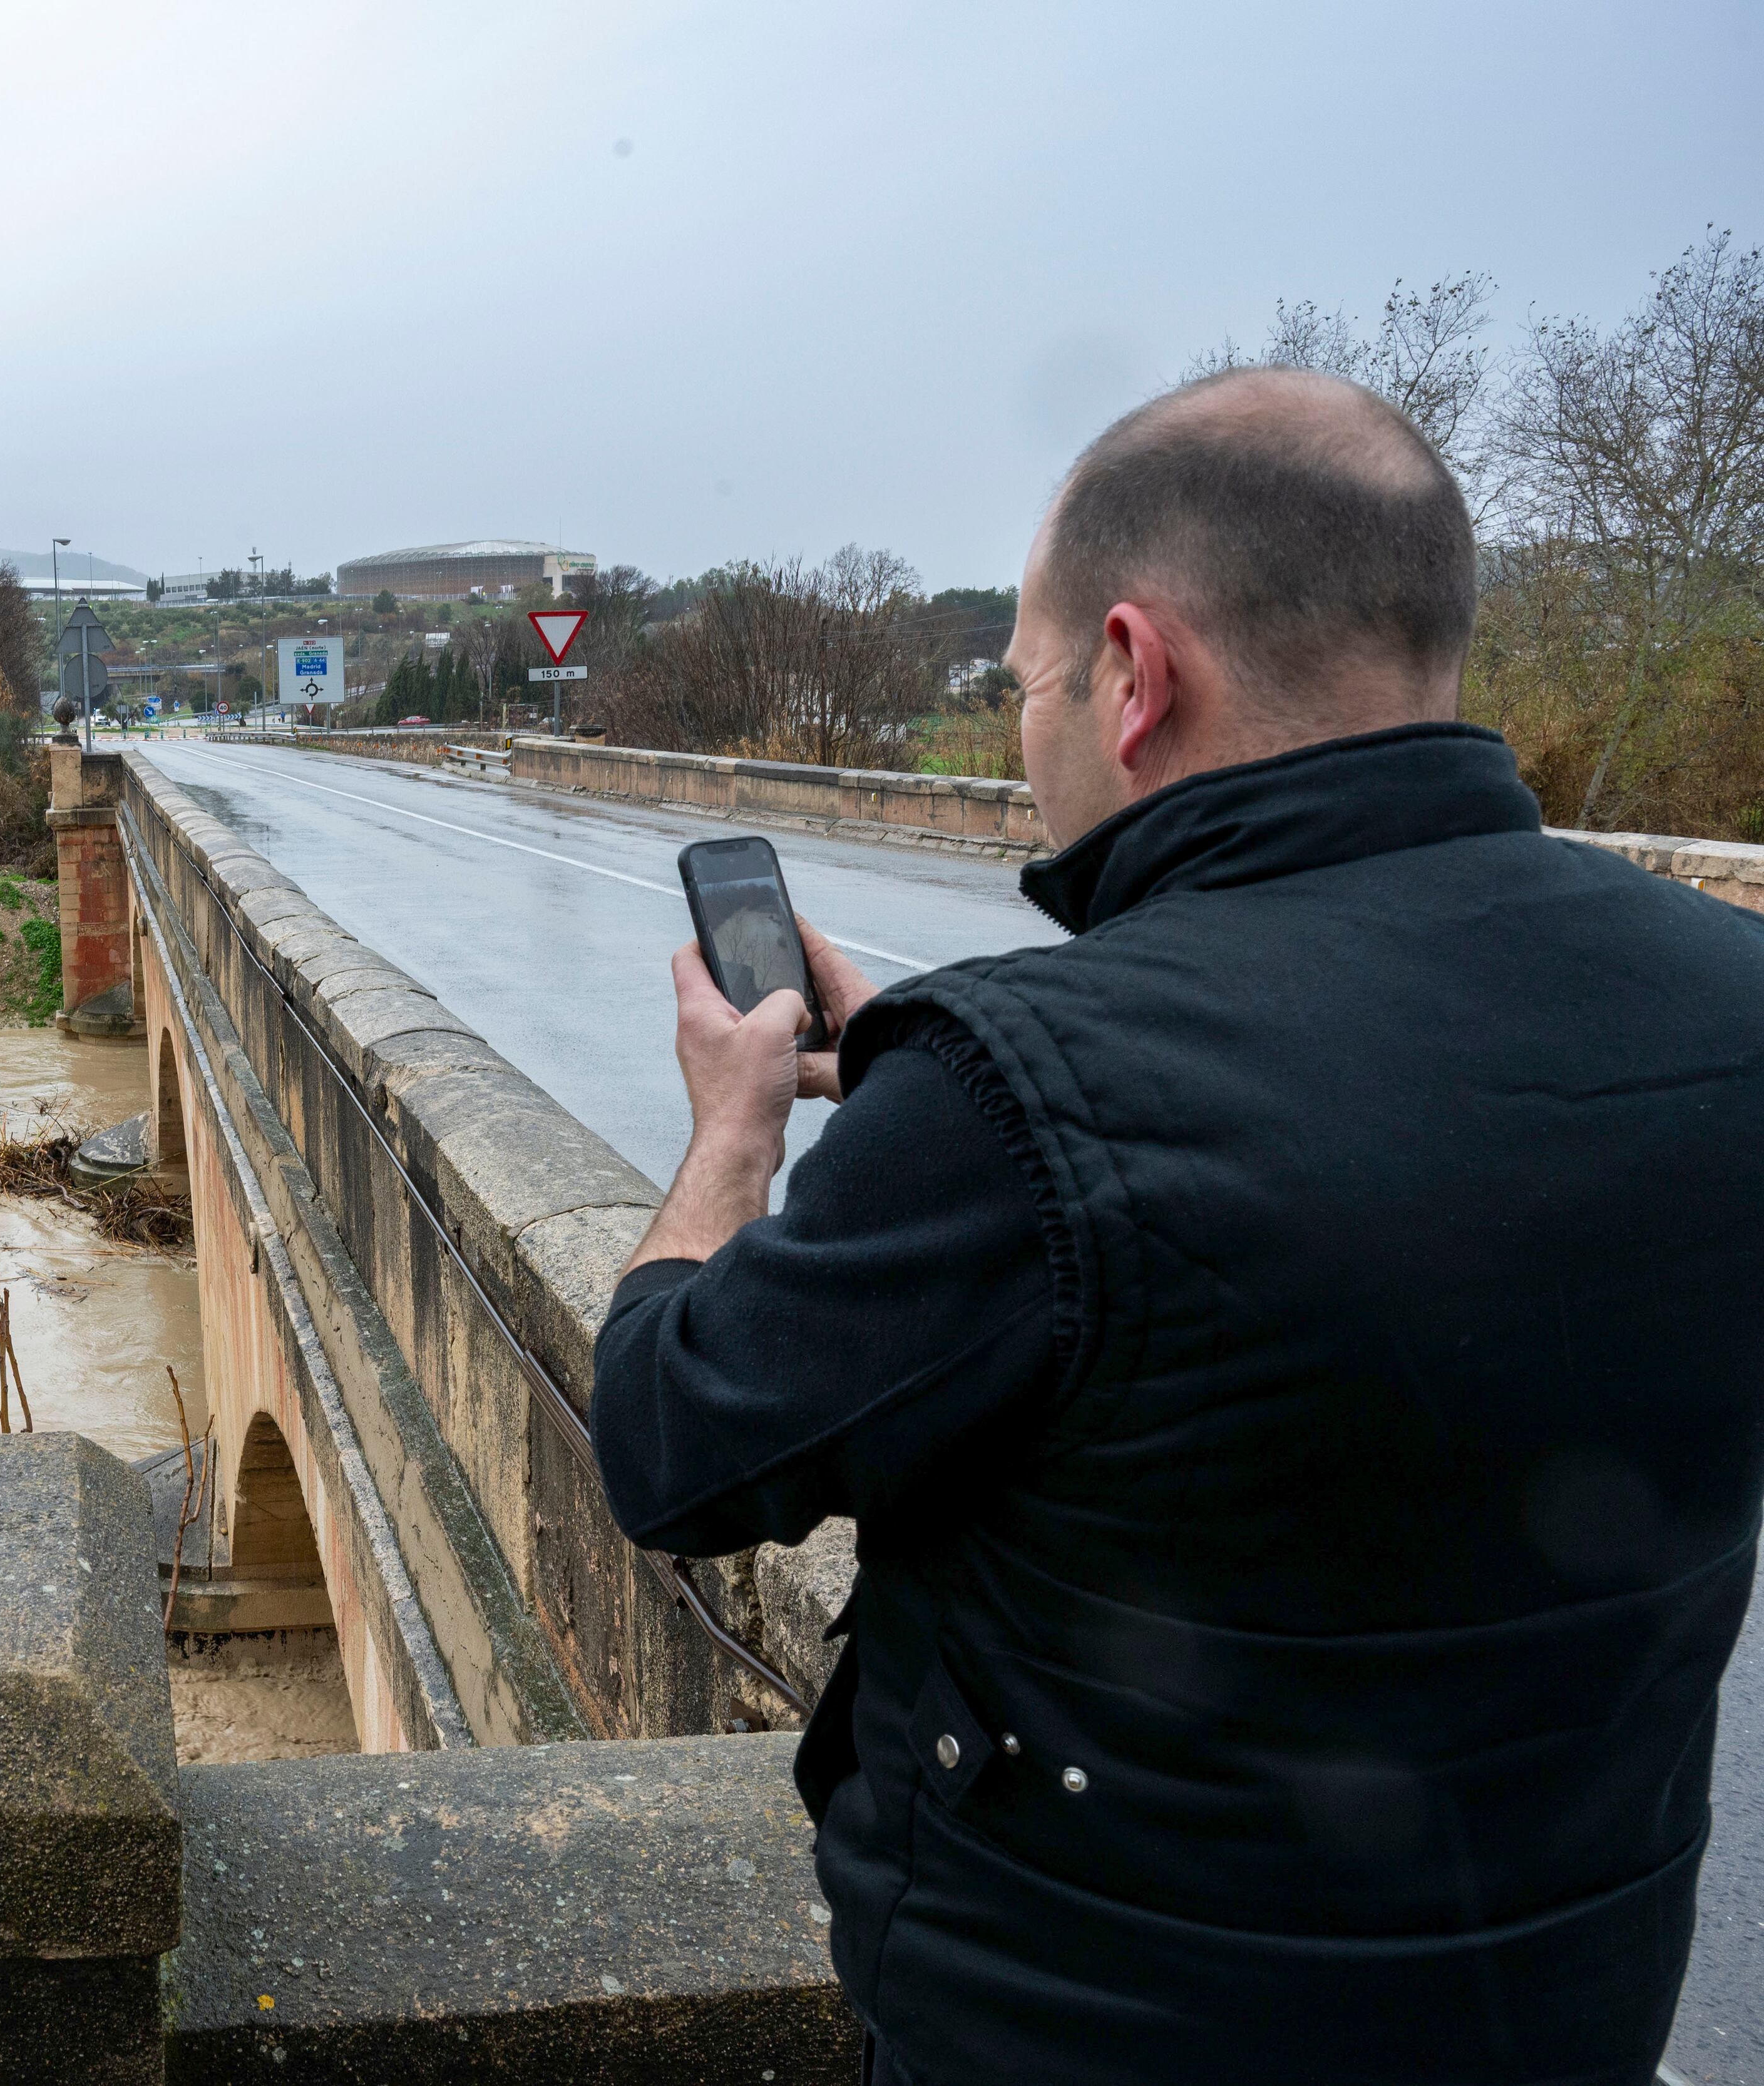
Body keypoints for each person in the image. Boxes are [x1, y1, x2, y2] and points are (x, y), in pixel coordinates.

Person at [592, 368, 1764, 2086]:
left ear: (1134, 675)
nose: (1027, 732)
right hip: (1564, 2014)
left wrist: (736, 1135)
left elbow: (671, 1444)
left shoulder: (1010, 1102)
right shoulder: (1729, 1001)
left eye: (1027, 686)